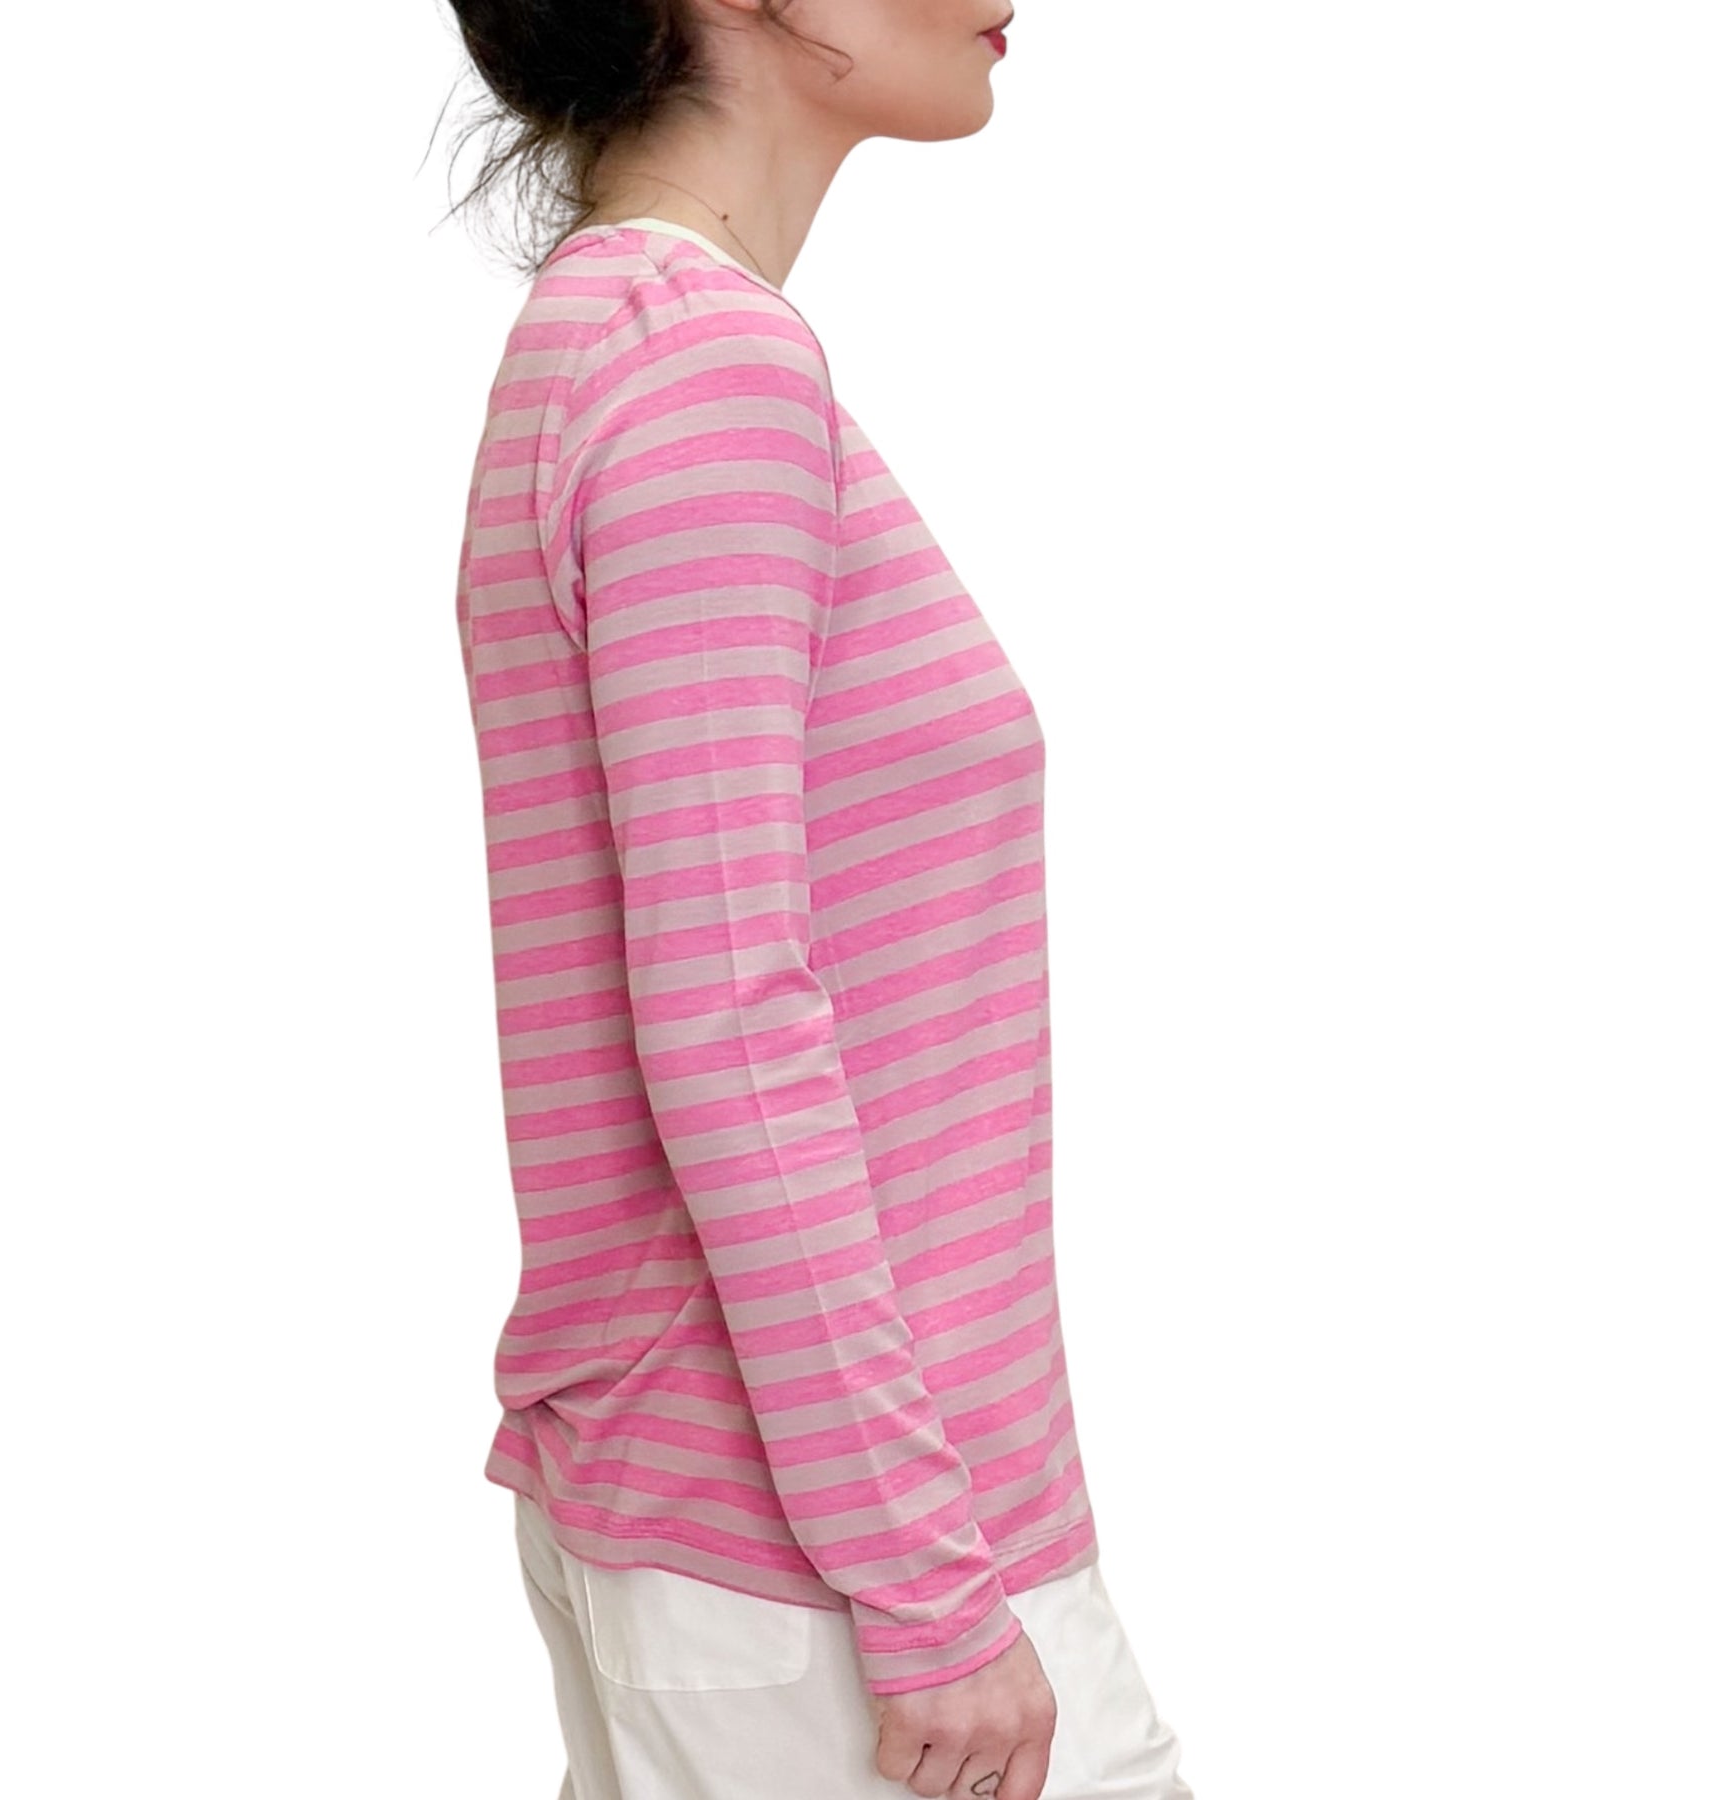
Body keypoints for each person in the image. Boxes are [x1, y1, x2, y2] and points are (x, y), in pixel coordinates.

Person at [441, 4, 1193, 1797]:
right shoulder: (699, 368)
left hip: (768, 1534)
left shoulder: (619, 341)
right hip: (833, 1570)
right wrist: (927, 1587)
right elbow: (728, 1024)